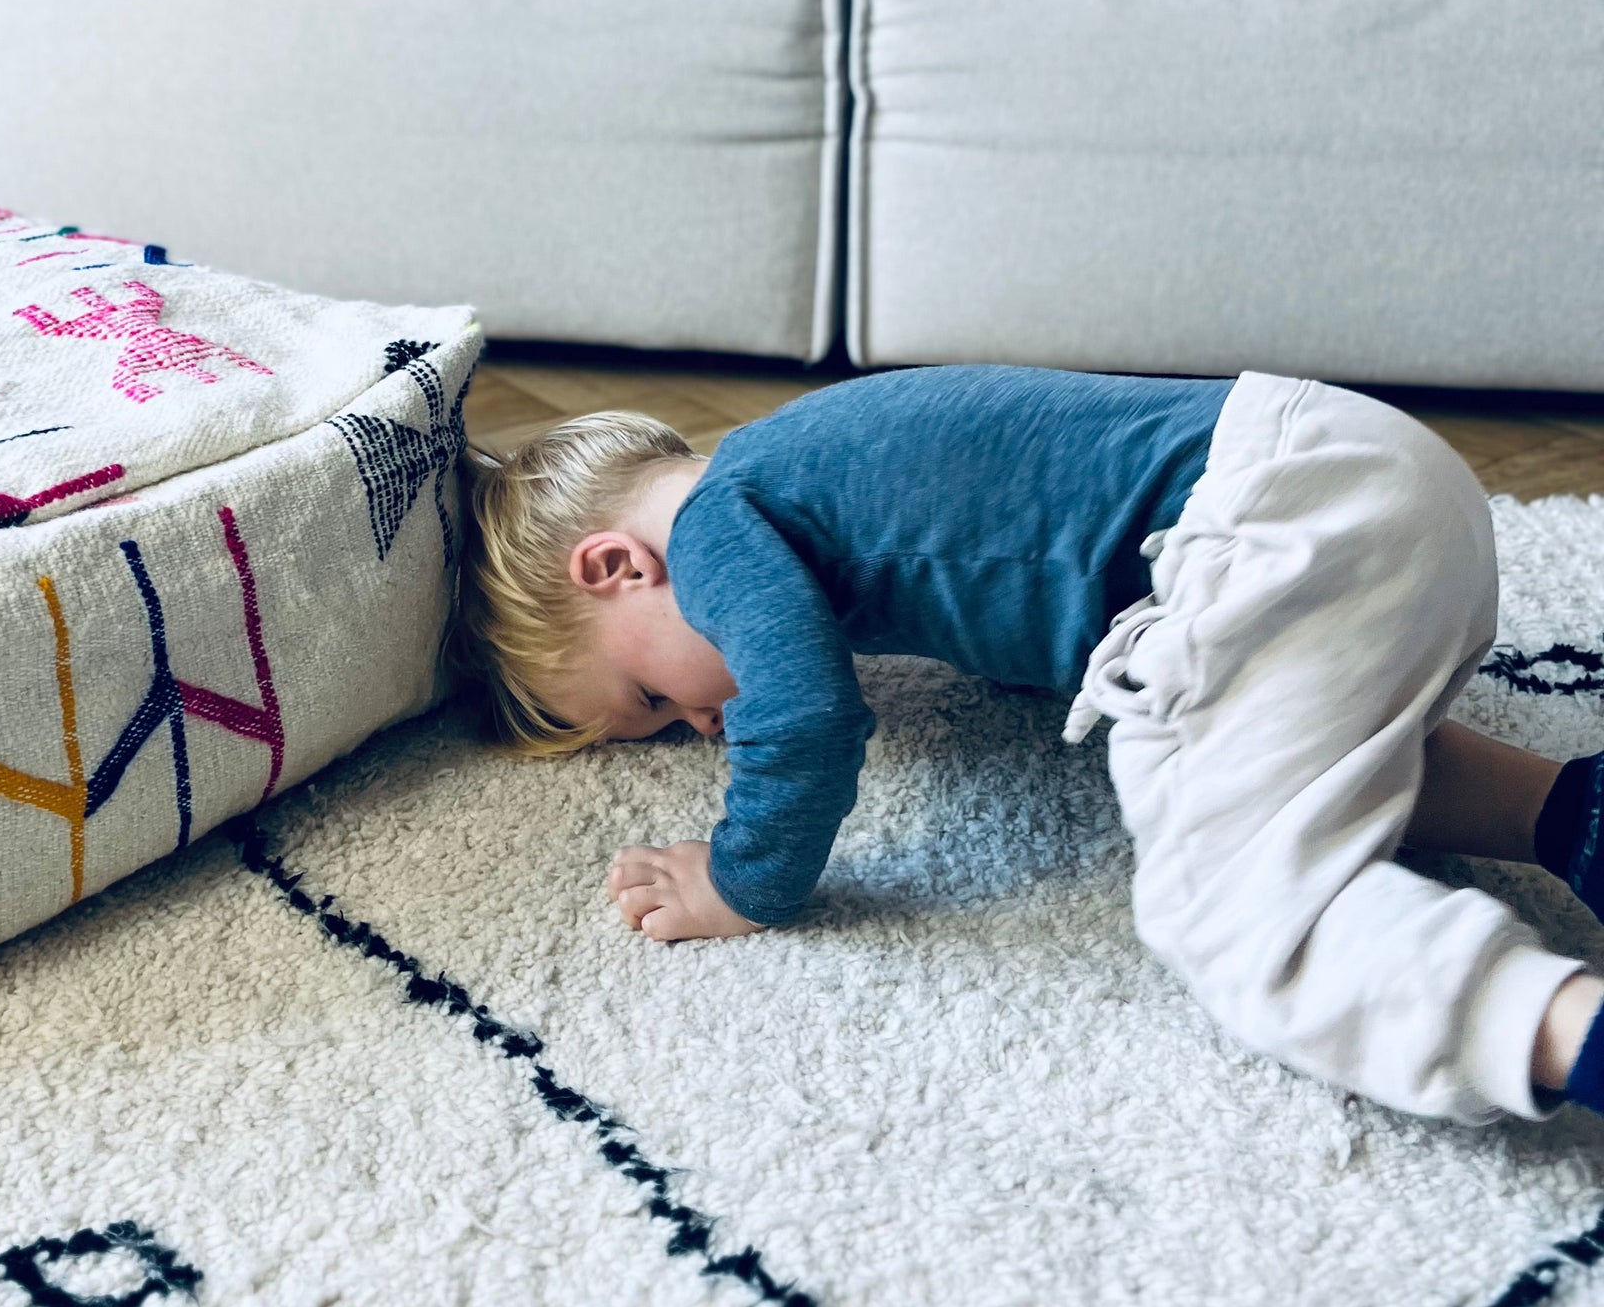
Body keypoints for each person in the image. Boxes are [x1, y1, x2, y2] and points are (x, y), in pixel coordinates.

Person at [455, 368, 1604, 1127]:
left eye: (651, 696)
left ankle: (1563, 1032)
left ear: (614, 567)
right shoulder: (796, 461)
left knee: (1232, 907)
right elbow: (1010, 537)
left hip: (1265, 519)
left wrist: (741, 876)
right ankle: (1570, 818)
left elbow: (801, 716)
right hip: (1357, 462)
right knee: (1281, 759)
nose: (700, 727)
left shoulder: (711, 533)